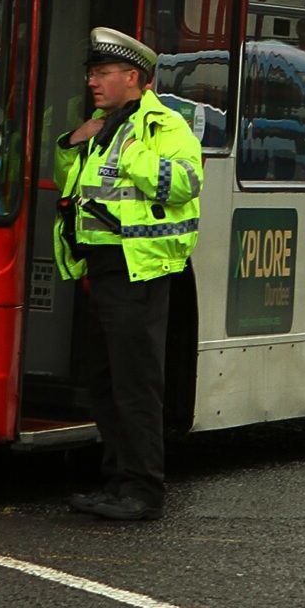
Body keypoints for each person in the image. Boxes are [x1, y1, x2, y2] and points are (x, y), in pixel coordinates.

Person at [52, 28, 203, 522]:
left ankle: (142, 489)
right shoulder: (102, 124)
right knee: (105, 379)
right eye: (91, 74)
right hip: (99, 267)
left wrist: (130, 149)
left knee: (136, 383)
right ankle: (117, 481)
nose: (93, 82)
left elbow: (183, 183)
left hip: (139, 269)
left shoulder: (164, 125)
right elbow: (74, 183)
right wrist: (74, 142)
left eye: (102, 74)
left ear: (131, 77)